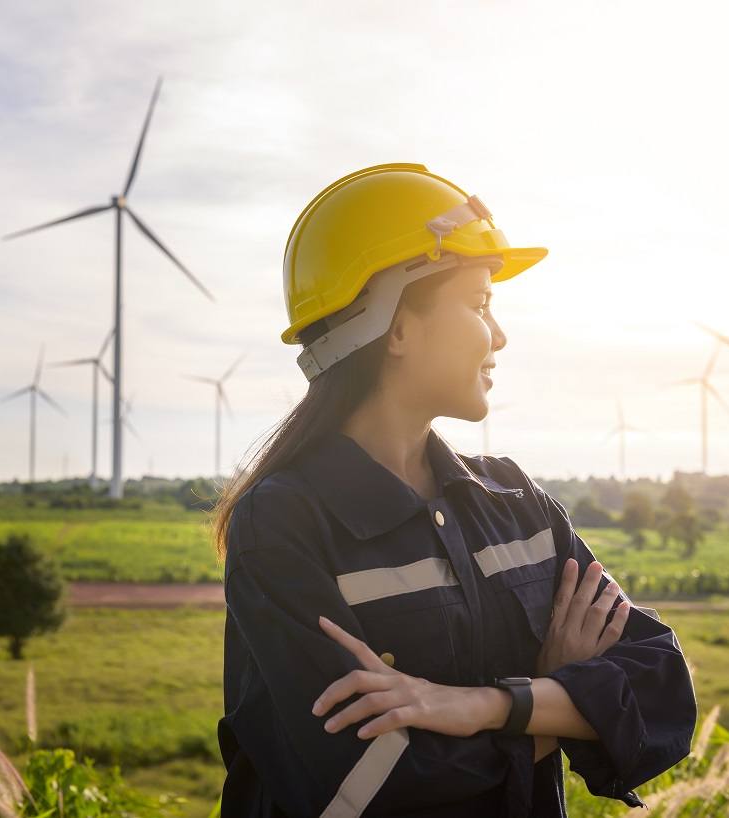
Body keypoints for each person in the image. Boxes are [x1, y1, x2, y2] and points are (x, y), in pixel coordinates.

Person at [212, 163, 696, 817]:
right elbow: (366, 786)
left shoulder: (518, 506)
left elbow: (662, 690)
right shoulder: (283, 524)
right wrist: (557, 700)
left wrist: (484, 706)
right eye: (479, 304)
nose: (499, 336)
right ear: (396, 327)